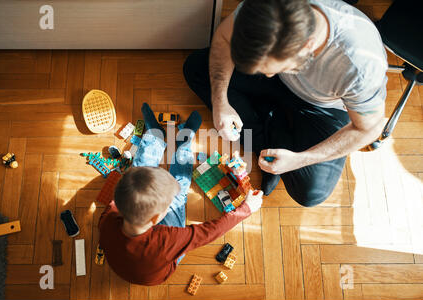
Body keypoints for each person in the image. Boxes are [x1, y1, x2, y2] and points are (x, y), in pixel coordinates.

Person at [183, 0, 388, 207]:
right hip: (281, 84)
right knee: (196, 67)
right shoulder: (264, 10)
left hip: (323, 107)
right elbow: (224, 38)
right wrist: (221, 102)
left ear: (307, 45)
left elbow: (369, 129)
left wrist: (299, 160)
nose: (268, 74)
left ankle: (267, 122)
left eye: (274, 67)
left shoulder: (360, 65)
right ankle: (267, 138)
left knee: (310, 192)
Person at [99, 103, 264, 285]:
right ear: (156, 220)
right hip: (160, 270)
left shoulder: (109, 216)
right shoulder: (168, 239)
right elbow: (210, 231)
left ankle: (155, 136)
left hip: (127, 259)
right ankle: (183, 146)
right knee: (177, 196)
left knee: (136, 176)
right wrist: (247, 208)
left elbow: (121, 194)